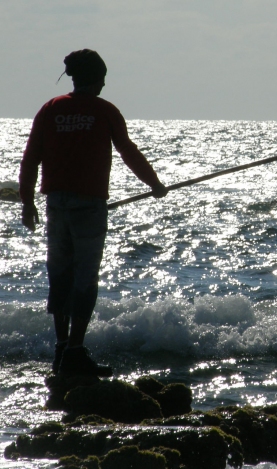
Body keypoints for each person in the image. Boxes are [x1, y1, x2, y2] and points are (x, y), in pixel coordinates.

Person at [19, 49, 167, 376]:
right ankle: (74, 350)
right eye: (103, 78)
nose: (103, 84)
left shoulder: (51, 109)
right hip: (89, 206)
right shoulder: (105, 111)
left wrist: (27, 202)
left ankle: (61, 350)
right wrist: (155, 184)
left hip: (55, 204)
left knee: (60, 275)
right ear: (97, 79)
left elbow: (31, 157)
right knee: (85, 278)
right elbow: (128, 151)